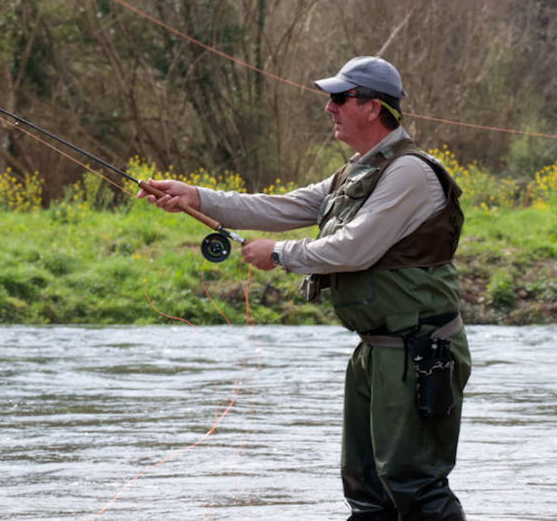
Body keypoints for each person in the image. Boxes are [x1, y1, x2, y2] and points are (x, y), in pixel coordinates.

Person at [139, 55, 469, 521]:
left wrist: (277, 254)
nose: (329, 108)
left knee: (415, 488)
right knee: (366, 491)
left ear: (372, 107)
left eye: (338, 98)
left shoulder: (410, 173)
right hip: (376, 350)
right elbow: (282, 207)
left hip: (421, 353)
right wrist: (197, 197)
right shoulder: (357, 171)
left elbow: (353, 248)